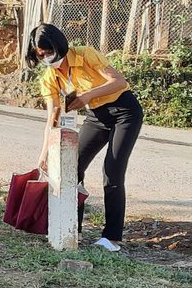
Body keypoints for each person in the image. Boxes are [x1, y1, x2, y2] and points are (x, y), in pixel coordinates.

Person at [27, 23, 142, 253]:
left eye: (49, 52)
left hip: (125, 112)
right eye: (41, 55)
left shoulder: (85, 55)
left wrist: (87, 95)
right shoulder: (50, 77)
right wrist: (44, 154)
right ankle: (74, 228)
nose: (47, 58)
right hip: (96, 117)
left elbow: (119, 82)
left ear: (59, 46)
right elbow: (53, 117)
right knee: (72, 167)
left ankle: (112, 237)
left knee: (112, 172)